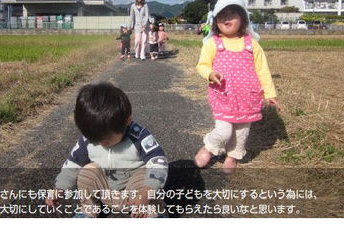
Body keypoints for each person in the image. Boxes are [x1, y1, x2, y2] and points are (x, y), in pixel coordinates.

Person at [45, 83, 169, 218]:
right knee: (87, 172)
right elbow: (72, 163)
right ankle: (88, 209)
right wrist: (59, 189)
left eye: (105, 140)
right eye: (95, 139)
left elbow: (158, 163)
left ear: (127, 121)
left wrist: (146, 194)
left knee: (144, 175)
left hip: (137, 194)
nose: (100, 144)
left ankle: (151, 212)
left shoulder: (138, 136)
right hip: (108, 191)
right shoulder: (89, 138)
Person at [193, 0, 281, 174]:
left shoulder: (252, 45)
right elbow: (202, 65)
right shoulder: (213, 43)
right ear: (215, 20)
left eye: (232, 14)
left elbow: (263, 70)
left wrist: (270, 94)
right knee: (224, 130)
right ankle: (209, 147)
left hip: (248, 97)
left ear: (243, 19)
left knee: (241, 133)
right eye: (222, 15)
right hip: (223, 96)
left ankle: (232, 156)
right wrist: (210, 74)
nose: (226, 18)